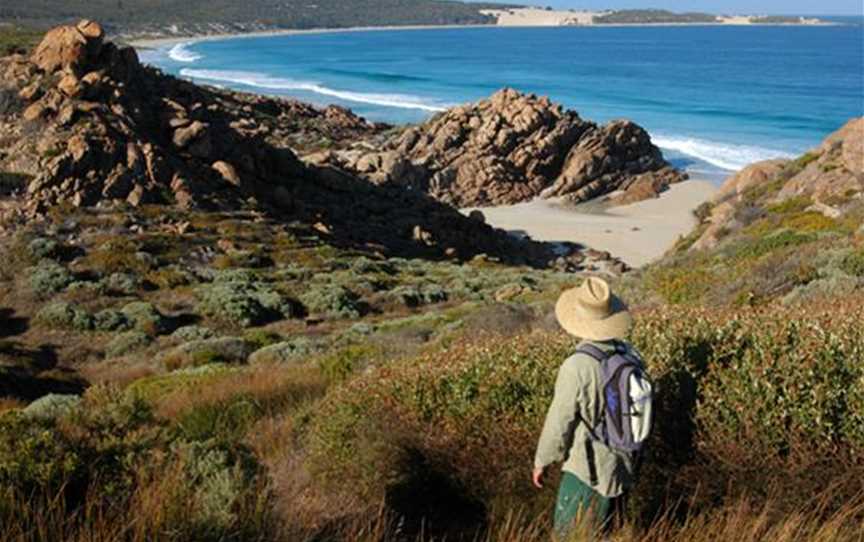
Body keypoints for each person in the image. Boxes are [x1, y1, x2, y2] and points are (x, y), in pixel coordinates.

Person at [532, 277, 644, 538]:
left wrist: (542, 460)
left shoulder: (578, 365)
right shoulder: (629, 354)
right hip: (624, 464)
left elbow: (560, 420)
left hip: (587, 469)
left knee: (570, 535)